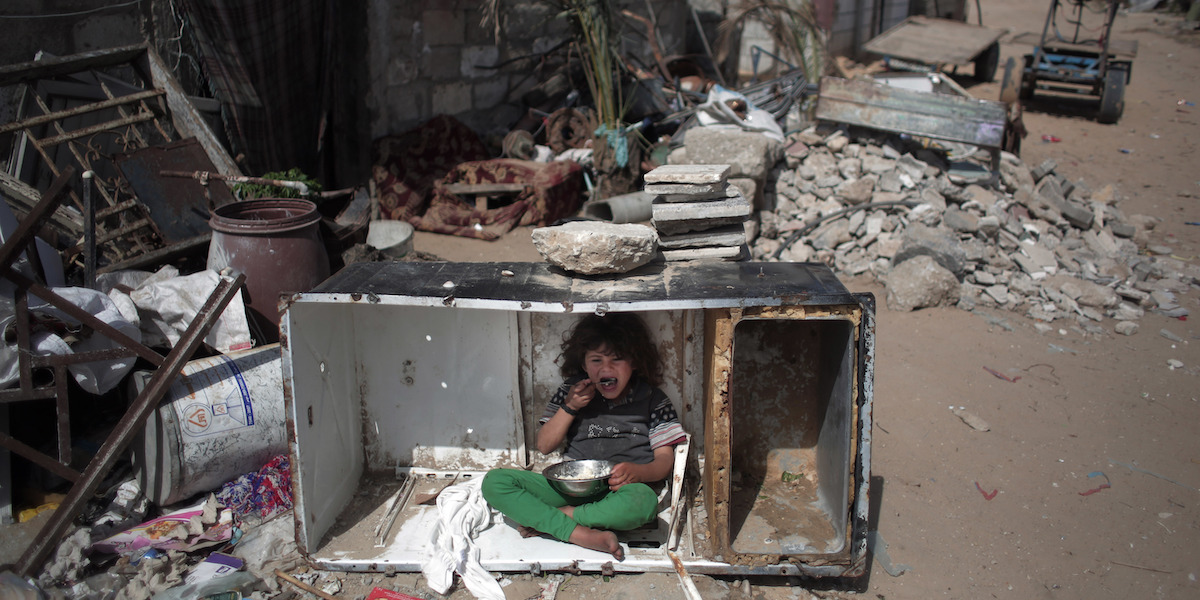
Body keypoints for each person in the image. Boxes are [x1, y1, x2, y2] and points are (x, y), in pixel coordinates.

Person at [481, 313, 687, 560]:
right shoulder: (572, 391)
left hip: (620, 491)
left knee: (644, 503)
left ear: (634, 362)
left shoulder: (653, 400)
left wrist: (640, 472)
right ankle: (581, 534)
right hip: (569, 488)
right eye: (596, 360)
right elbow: (545, 445)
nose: (606, 368)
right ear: (584, 365)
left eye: (617, 359)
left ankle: (560, 519)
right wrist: (570, 407)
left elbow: (665, 462)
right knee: (495, 482)